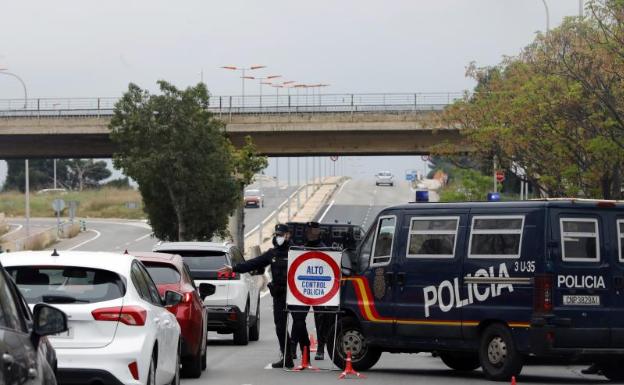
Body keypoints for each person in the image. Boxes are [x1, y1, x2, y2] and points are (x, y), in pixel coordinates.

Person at [218, 223, 307, 368]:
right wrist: (234, 268)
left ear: (288, 235)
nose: (278, 237)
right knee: (280, 326)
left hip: (296, 294)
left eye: (281, 235)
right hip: (279, 294)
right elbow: (253, 263)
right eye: (276, 235)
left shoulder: (297, 251)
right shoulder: (272, 253)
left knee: (299, 324)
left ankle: (306, 354)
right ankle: (287, 357)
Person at [303, 221, 333, 361]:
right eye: (309, 231)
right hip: (303, 288)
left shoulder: (324, 249)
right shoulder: (301, 249)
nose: (311, 234)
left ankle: (320, 348)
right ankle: (297, 348)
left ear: (318, 232)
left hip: (319, 289)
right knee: (298, 319)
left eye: (313, 231)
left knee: (320, 319)